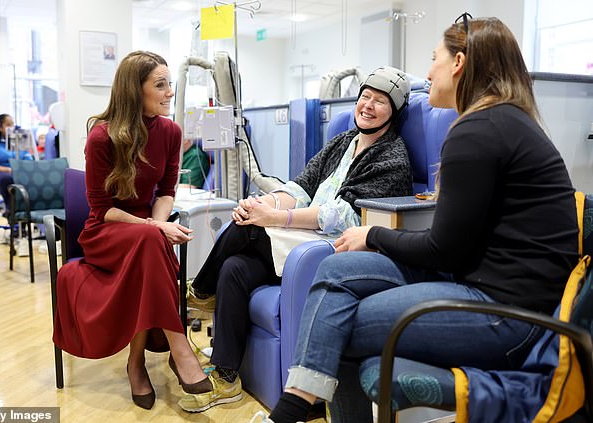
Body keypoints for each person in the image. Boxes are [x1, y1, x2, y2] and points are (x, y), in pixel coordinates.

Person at [251, 16, 580, 423]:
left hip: (506, 315)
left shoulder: (478, 129)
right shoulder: (502, 121)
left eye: (433, 58)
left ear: (458, 63)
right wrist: (368, 238)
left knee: (342, 329)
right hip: (481, 284)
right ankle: (296, 406)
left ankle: (291, 410)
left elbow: (442, 249)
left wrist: (372, 233)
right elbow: (457, 245)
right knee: (336, 268)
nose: (428, 72)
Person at [185, 66, 414, 412]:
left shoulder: (393, 157)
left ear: (394, 111)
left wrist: (273, 218)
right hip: (297, 237)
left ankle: (199, 293)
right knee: (233, 266)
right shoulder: (342, 142)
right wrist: (264, 203)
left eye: (380, 101)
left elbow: (345, 217)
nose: (368, 105)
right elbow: (300, 187)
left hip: (330, 246)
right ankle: (226, 375)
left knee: (247, 228)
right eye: (365, 96)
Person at [52, 51, 228, 411]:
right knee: (152, 242)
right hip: (106, 231)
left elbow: (166, 192)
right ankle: (181, 351)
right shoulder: (101, 138)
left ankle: (136, 364)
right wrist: (155, 226)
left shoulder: (171, 132)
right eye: (160, 85)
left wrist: (158, 224)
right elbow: (102, 210)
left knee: (150, 247)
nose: (169, 93)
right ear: (136, 90)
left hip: (145, 233)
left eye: (170, 84)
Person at [0, 113, 33, 219]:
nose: (11, 127)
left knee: (28, 179)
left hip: (19, 172)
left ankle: (25, 215)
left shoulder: (19, 140)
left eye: (12, 124)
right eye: (8, 125)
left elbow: (29, 160)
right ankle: (12, 214)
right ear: (0, 127)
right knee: (7, 179)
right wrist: (7, 169)